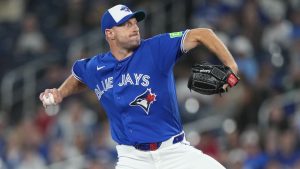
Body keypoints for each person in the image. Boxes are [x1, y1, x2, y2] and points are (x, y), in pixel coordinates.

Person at [40, 4, 239, 169]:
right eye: (126, 24)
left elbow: (203, 34)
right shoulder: (97, 66)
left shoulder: (156, 49)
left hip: (175, 152)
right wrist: (59, 92)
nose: (135, 28)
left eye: (135, 23)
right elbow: (79, 76)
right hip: (132, 159)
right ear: (110, 33)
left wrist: (231, 66)